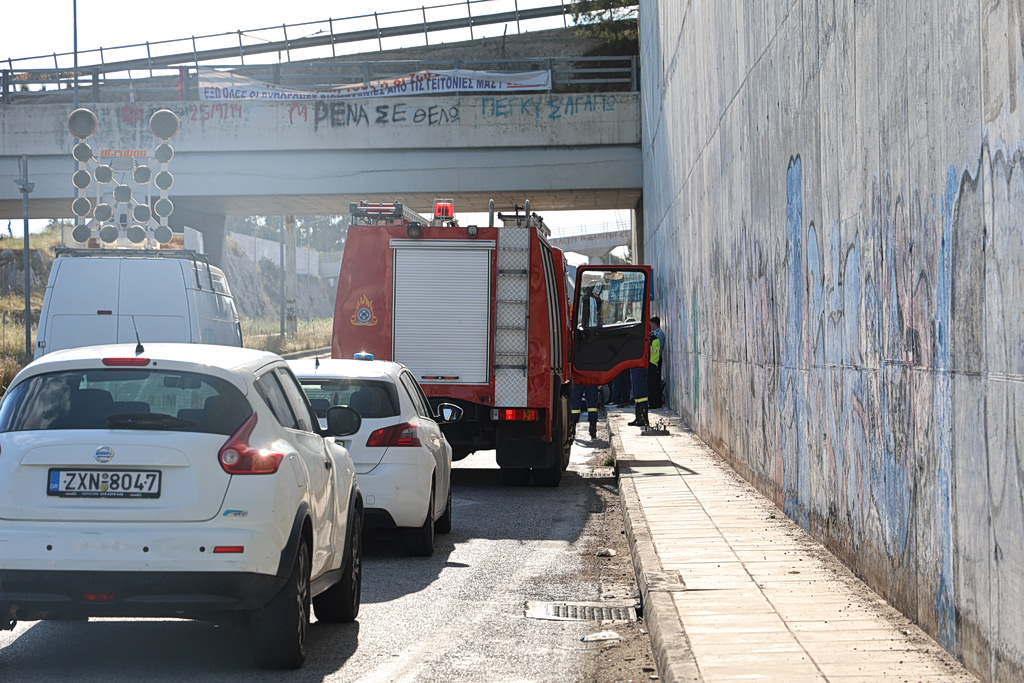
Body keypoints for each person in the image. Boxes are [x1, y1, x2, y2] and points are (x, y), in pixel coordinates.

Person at [648, 316, 666, 409]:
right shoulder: (655, 334)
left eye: (651, 324)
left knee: (655, 382)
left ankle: (656, 401)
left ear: (654, 324)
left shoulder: (658, 334)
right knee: (653, 382)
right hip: (654, 360)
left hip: (655, 360)